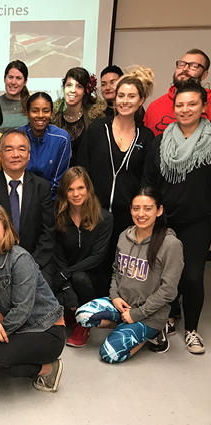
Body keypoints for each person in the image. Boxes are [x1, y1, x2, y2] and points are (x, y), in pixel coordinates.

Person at [74, 187, 184, 362]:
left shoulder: (171, 244)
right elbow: (117, 270)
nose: (141, 214)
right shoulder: (125, 235)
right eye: (136, 208)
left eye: (148, 208)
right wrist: (114, 296)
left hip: (149, 314)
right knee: (82, 315)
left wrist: (138, 314)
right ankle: (129, 326)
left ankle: (154, 332)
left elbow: (169, 291)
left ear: (159, 210)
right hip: (123, 304)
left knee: (109, 354)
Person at [0, 204, 65, 391]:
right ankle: (6, 355)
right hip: (13, 326)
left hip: (44, 330)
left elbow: (22, 310)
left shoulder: (20, 259)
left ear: (5, 228)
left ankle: (48, 368)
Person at [143, 81, 211, 354]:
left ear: (203, 107)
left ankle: (191, 329)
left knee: (193, 277)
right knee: (162, 277)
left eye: (192, 104)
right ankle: (166, 318)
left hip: (198, 222)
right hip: (164, 222)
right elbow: (149, 180)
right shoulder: (161, 142)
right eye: (180, 105)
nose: (185, 110)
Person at [78, 67, 155, 272]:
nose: (125, 101)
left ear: (141, 101)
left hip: (128, 218)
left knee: (121, 269)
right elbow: (82, 169)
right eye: (121, 95)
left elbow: (147, 180)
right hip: (94, 213)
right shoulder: (97, 128)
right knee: (93, 269)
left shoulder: (146, 137)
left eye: (131, 96)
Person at [0, 128, 55, 285]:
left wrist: (28, 264)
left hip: (36, 261)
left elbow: (48, 233)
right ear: (0, 155)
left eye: (21, 149)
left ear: (28, 155)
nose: (16, 154)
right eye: (9, 149)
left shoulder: (42, 187)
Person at [53, 167, 113, 347]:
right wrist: (65, 283)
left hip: (94, 277)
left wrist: (66, 274)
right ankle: (72, 311)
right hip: (66, 274)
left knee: (80, 278)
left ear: (88, 189)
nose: (76, 194)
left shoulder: (104, 218)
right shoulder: (58, 217)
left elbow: (97, 256)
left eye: (80, 188)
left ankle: (84, 324)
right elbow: (58, 255)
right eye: (70, 189)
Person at [144, 48, 211, 136]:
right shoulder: (154, 107)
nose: (185, 69)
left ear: (204, 75)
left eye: (194, 66)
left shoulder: (208, 100)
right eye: (181, 64)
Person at [19, 92, 71, 199]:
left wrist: (41, 199)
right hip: (21, 198)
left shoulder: (62, 138)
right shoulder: (17, 136)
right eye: (35, 111)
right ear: (27, 113)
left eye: (46, 111)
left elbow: (59, 179)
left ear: (51, 113)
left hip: (51, 199)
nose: (40, 115)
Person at [52, 67, 107, 161]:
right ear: (64, 87)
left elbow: (101, 154)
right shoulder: (52, 116)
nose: (72, 90)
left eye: (79, 86)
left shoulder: (97, 118)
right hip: (58, 173)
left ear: (85, 91)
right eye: (69, 85)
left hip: (86, 173)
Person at [0, 60, 30, 132]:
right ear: (4, 79)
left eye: (18, 78)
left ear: (25, 82)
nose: (13, 82)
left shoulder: (31, 104)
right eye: (10, 77)